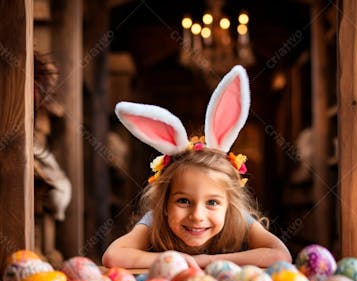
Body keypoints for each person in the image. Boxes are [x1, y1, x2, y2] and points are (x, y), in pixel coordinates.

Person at [102, 66, 291, 270]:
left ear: (229, 205)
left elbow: (280, 255)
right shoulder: (156, 221)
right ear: (164, 203)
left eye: (212, 202)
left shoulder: (237, 219)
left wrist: (206, 261)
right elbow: (113, 256)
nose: (197, 216)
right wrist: (176, 261)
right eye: (183, 201)